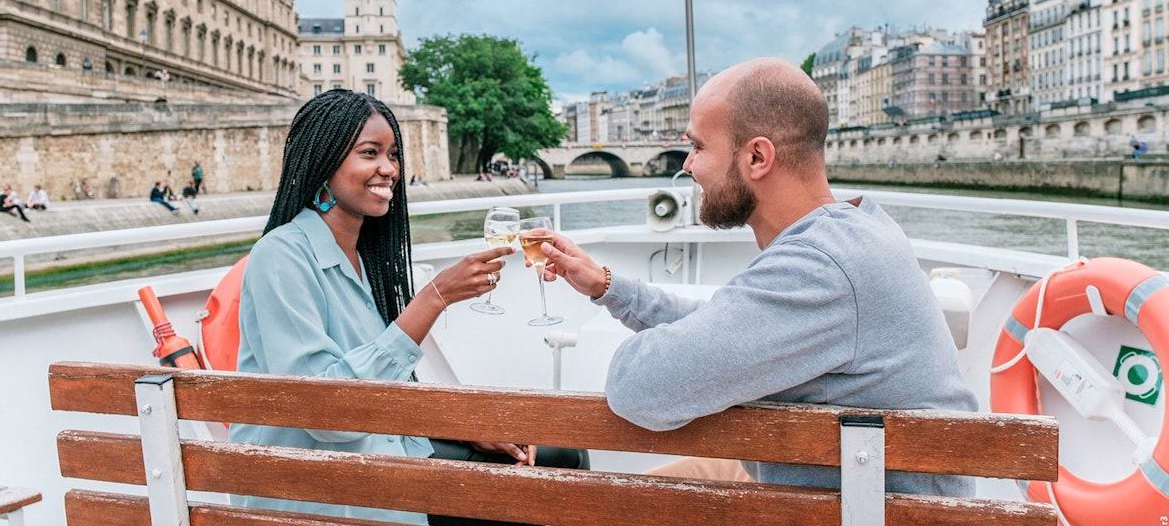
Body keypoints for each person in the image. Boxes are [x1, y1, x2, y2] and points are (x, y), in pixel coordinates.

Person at [540, 57, 976, 497]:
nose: (688, 165)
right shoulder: (856, 232)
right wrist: (608, 287)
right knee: (612, 497)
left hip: (863, 513)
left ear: (757, 157)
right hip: (855, 494)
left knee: (593, 503)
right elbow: (723, 325)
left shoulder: (817, 268)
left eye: (698, 147)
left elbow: (637, 388)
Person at [229, 89, 587, 524]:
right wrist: (433, 299)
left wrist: (465, 429)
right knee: (547, 481)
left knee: (557, 451)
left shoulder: (364, 257)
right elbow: (327, 415)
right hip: (328, 490)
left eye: (393, 154)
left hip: (380, 458)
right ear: (324, 162)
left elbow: (376, 394)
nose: (389, 169)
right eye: (369, 153)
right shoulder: (280, 256)